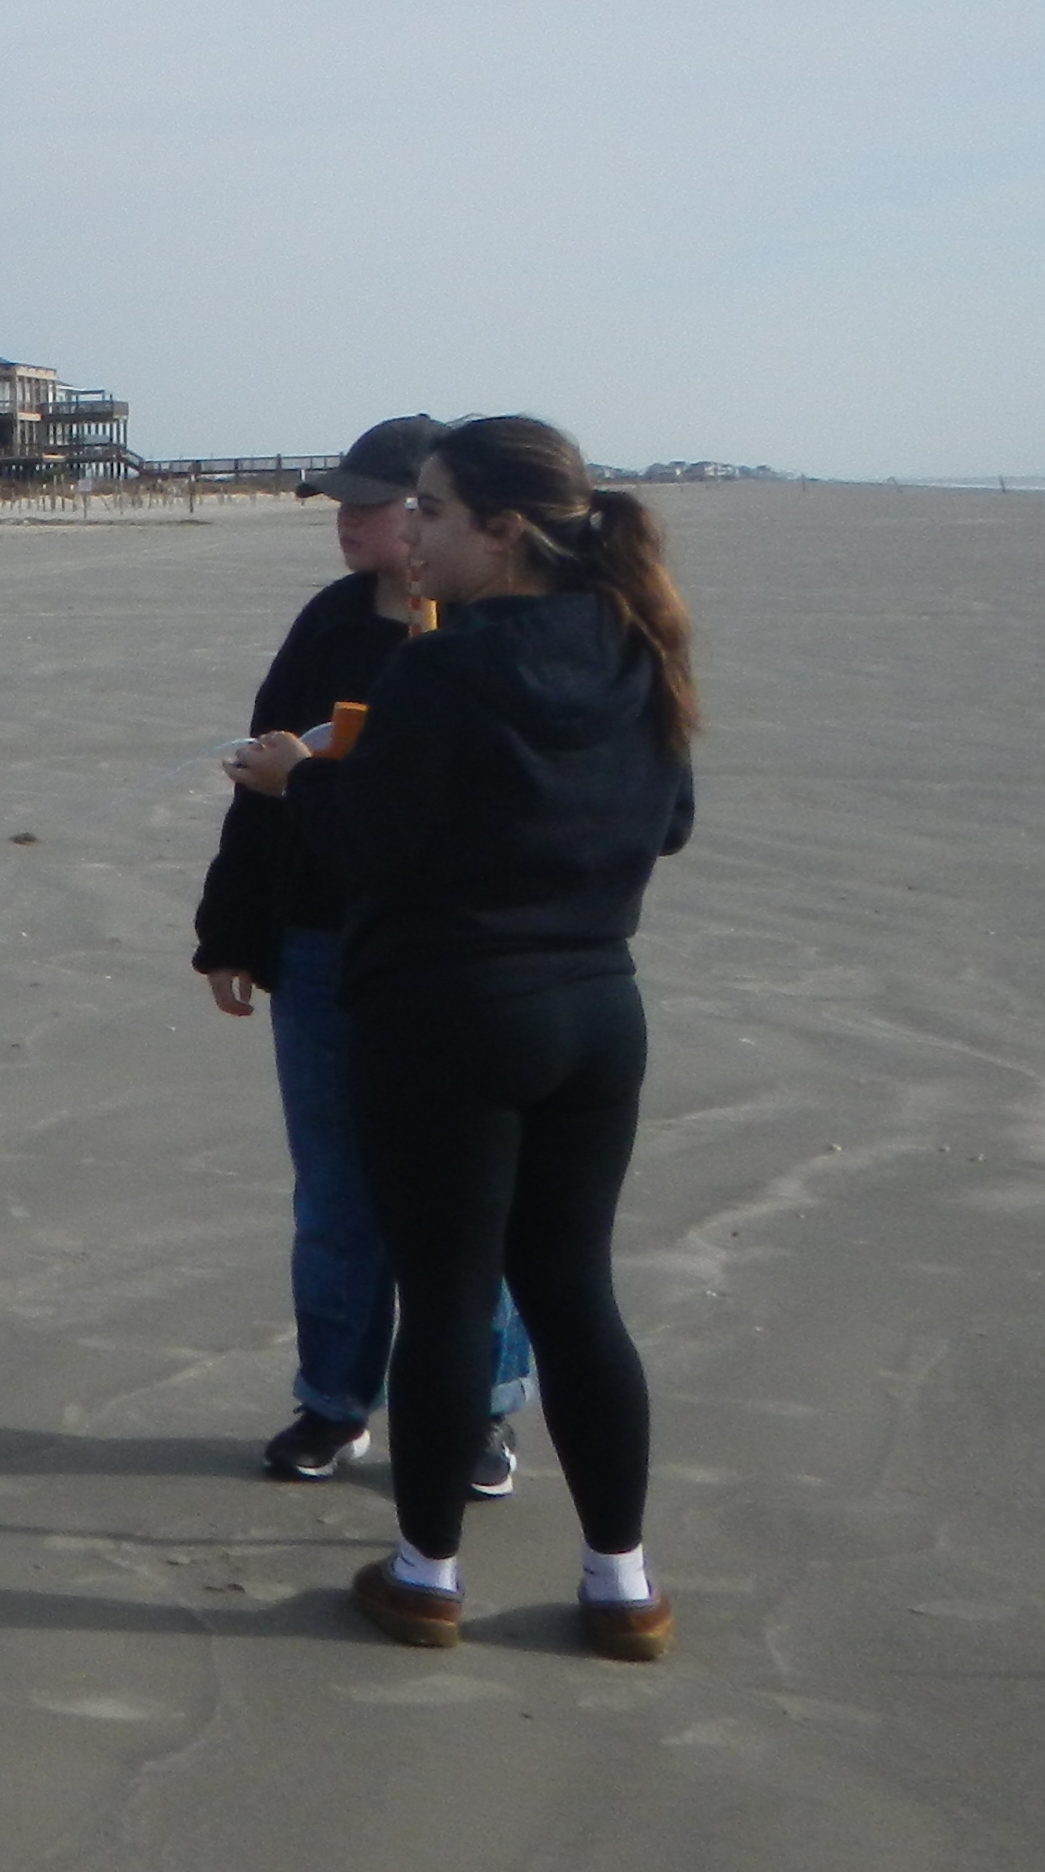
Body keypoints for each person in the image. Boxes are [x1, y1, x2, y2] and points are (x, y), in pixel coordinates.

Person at [226, 416, 697, 1660]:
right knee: (571, 1291)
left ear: (506, 530)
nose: (412, 533)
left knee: (450, 1291)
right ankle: (622, 1585)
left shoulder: (445, 664)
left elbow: (378, 841)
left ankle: (428, 1572)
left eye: (431, 511)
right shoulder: (634, 643)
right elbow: (668, 819)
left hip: (455, 1013)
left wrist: (296, 781)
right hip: (596, 1008)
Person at [193, 416, 535, 1488]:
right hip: (322, 942)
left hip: (459, 959)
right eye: (339, 501)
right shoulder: (332, 621)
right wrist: (230, 932)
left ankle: (480, 1410)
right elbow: (262, 779)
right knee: (335, 1193)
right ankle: (335, 1402)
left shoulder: (501, 638)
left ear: (442, 509)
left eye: (378, 503)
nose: (349, 520)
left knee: (471, 1197)